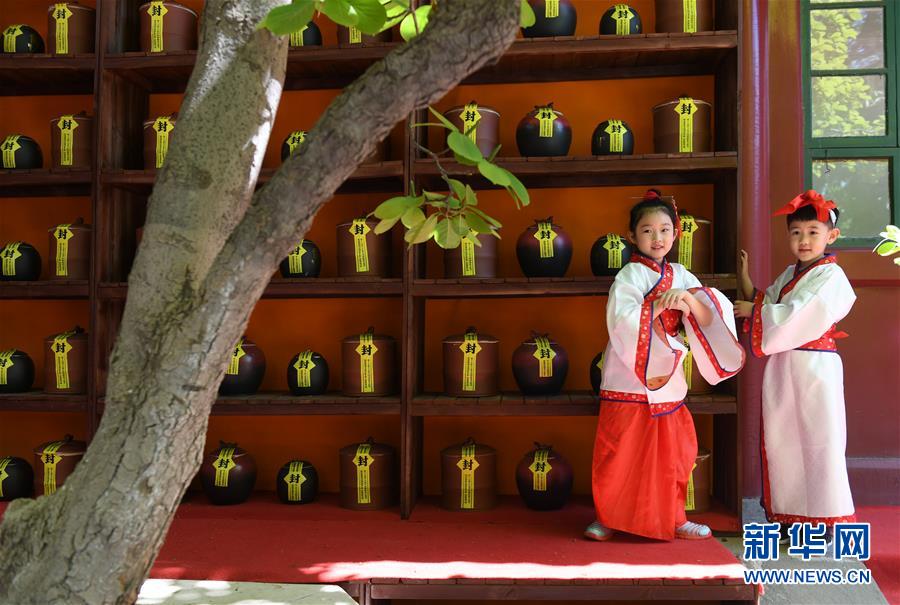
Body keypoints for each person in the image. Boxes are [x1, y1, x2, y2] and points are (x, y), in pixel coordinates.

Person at [586, 190, 745, 542]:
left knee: (674, 452)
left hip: (667, 374)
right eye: (647, 230)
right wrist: (657, 306)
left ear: (675, 234)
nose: (657, 238)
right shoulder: (629, 276)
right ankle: (608, 517)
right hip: (627, 373)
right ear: (632, 236)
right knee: (619, 450)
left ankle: (674, 516)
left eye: (664, 230)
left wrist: (688, 299)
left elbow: (709, 315)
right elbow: (621, 320)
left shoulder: (682, 274)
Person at [733, 190, 856, 544]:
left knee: (819, 440)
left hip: (815, 368)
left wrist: (754, 312)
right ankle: (791, 516)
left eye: (813, 232)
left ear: (831, 236)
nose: (804, 240)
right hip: (786, 366)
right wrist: (744, 278)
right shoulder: (791, 273)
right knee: (784, 439)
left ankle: (823, 520)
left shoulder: (831, 278)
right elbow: (766, 302)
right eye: (796, 233)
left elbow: (797, 314)